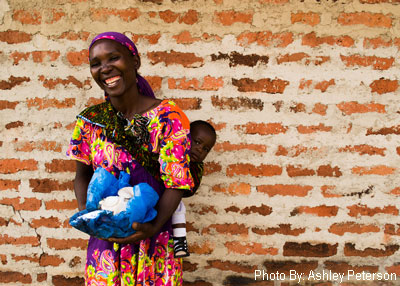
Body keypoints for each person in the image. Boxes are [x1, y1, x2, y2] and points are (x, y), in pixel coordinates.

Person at [66, 32, 194, 285]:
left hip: (154, 241)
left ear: (134, 61)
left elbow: (176, 181)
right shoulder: (89, 121)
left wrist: (153, 226)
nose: (105, 68)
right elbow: (82, 176)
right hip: (106, 243)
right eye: (96, 62)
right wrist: (92, 217)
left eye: (114, 58)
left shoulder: (168, 117)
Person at [172, 120, 216, 258]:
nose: (200, 149)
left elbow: (190, 190)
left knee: (178, 208)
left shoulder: (196, 167)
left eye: (206, 149)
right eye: (197, 142)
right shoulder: (172, 153)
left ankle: (180, 241)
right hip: (154, 190)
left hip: (172, 197)